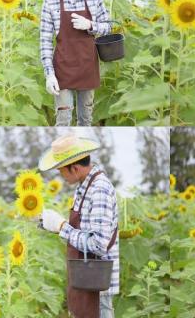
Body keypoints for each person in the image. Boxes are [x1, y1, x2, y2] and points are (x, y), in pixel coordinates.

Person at [38, 134, 119, 318]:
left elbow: (99, 244)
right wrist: (43, 221)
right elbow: (81, 230)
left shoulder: (99, 189)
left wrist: (61, 227)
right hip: (84, 280)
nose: (61, 177)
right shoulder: (84, 186)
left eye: (61, 171)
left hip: (96, 288)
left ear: (74, 168)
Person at [40, 0, 112, 126]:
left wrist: (90, 25)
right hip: (62, 68)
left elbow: (108, 27)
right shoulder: (50, 2)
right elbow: (45, 42)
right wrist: (49, 74)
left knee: (86, 120)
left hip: (88, 65)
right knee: (63, 120)